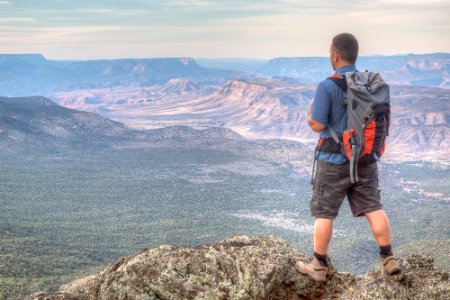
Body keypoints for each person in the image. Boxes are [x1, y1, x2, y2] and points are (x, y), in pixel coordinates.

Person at [295, 33, 401, 282]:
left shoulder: (327, 86)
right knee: (373, 207)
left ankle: (318, 265)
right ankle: (388, 258)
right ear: (354, 54)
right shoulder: (370, 84)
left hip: (333, 162)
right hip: (365, 159)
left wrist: (310, 114)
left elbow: (318, 125)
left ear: (334, 55)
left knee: (325, 213)